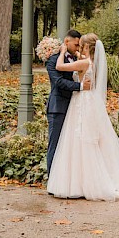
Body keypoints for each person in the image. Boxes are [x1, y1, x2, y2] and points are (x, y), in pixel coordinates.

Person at [47, 33, 119, 201]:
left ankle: (79, 183)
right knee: (88, 140)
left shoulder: (83, 63)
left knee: (80, 139)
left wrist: (61, 52)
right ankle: (85, 182)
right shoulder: (92, 63)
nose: (79, 48)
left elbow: (59, 66)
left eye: (81, 46)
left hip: (81, 101)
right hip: (89, 101)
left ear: (87, 47)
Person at [38, 30, 88, 175]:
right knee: (55, 144)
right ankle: (52, 179)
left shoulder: (76, 58)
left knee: (69, 146)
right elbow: (58, 82)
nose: (78, 48)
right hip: (58, 108)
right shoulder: (53, 60)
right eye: (76, 44)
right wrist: (80, 86)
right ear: (66, 42)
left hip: (74, 107)